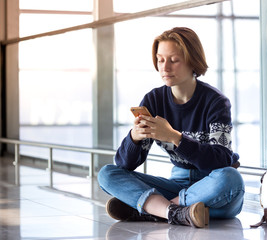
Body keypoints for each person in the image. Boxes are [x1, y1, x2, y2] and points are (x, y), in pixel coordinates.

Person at [97, 27, 244, 228]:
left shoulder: (216, 102)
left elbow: (221, 159)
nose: (164, 68)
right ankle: (177, 212)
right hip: (177, 185)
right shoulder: (153, 100)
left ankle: (155, 210)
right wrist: (134, 138)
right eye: (160, 59)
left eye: (173, 60)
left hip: (212, 183)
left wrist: (176, 138)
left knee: (231, 178)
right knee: (107, 173)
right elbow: (124, 166)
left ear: (193, 60)